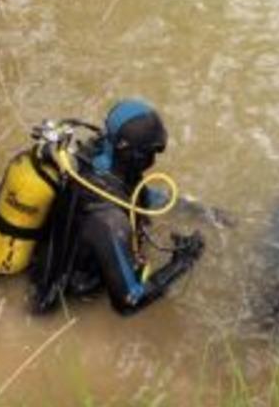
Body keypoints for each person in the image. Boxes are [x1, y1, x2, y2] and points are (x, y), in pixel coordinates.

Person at [30, 99, 203, 315]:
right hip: (77, 295)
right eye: (152, 152)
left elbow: (143, 197)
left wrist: (203, 212)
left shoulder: (96, 156)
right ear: (134, 155)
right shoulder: (109, 221)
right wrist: (181, 262)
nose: (155, 159)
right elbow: (128, 302)